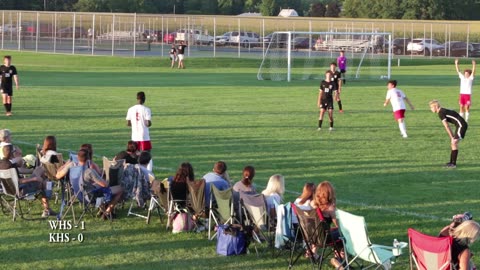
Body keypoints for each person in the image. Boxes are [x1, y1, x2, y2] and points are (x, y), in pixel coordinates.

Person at [56, 149, 123, 218]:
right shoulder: (89, 171)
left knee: (97, 186)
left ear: (77, 158)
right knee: (119, 189)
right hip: (90, 197)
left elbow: (58, 175)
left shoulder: (72, 168)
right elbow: (105, 185)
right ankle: (107, 212)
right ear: (88, 159)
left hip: (78, 195)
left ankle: (102, 210)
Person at [0, 144, 54, 218]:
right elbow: (19, 181)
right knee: (44, 182)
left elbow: (18, 171)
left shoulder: (2, 163)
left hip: (8, 189)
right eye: (14, 151)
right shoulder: (10, 166)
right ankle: (47, 210)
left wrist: (32, 172)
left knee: (40, 169)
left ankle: (47, 184)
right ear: (12, 153)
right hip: (20, 190)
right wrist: (34, 179)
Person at [310, 181, 343, 269]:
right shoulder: (330, 208)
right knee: (342, 234)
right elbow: (337, 225)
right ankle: (338, 256)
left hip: (312, 235)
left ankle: (313, 253)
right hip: (324, 238)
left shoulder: (313, 203)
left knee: (319, 229)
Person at [429, 100, 468, 168]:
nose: (431, 109)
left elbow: (446, 126)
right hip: (460, 125)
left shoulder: (441, 113)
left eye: (431, 107)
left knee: (454, 142)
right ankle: (451, 163)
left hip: (461, 125)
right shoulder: (443, 110)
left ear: (435, 107)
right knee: (453, 143)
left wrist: (451, 137)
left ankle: (453, 164)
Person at [126, 91, 152, 171]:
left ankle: (136, 171)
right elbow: (147, 123)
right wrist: (148, 123)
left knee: (135, 155)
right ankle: (149, 173)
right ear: (144, 99)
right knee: (147, 155)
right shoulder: (146, 109)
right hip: (144, 136)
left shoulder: (130, 109)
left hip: (134, 136)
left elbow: (128, 123)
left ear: (137, 98)